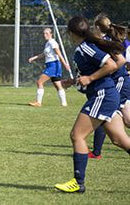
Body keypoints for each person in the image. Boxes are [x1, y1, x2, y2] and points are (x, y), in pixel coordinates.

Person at [54, 16, 130, 193]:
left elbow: (111, 64)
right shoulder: (87, 46)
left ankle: (78, 183)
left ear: (71, 33)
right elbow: (93, 69)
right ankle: (78, 183)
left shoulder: (85, 47)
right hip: (106, 95)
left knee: (76, 135)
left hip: (102, 96)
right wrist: (74, 81)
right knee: (120, 140)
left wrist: (90, 78)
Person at [88, 15, 130, 159]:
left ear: (98, 27)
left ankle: (96, 152)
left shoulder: (105, 42)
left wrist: (107, 71)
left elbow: (122, 60)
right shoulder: (111, 40)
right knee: (126, 119)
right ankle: (96, 152)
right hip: (121, 81)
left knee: (104, 112)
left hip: (119, 81)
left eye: (94, 27)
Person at [28, 28, 70, 107]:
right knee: (57, 85)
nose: (45, 35)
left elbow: (59, 53)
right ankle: (64, 104)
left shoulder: (52, 42)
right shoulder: (48, 43)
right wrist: (34, 58)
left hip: (53, 65)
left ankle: (38, 102)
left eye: (47, 33)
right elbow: (44, 54)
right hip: (52, 65)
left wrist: (65, 64)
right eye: (44, 33)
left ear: (51, 34)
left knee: (39, 82)